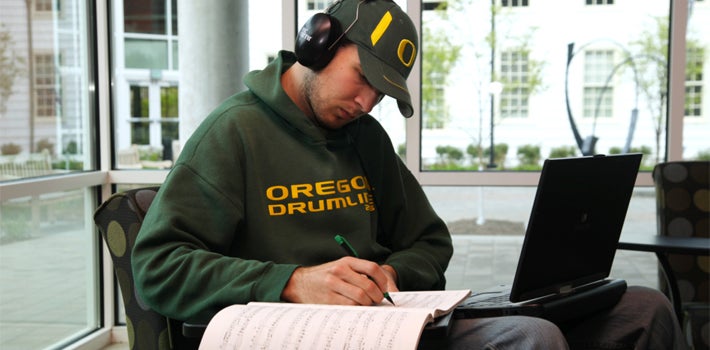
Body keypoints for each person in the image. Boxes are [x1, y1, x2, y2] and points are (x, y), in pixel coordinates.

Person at [132, 0, 685, 348]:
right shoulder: (233, 133)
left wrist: (391, 278)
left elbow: (428, 241)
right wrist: (292, 282)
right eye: (362, 77)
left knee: (642, 307)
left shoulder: (364, 139)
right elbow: (156, 269)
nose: (367, 100)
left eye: (382, 91)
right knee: (530, 336)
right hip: (294, 330)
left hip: (385, 323)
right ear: (318, 42)